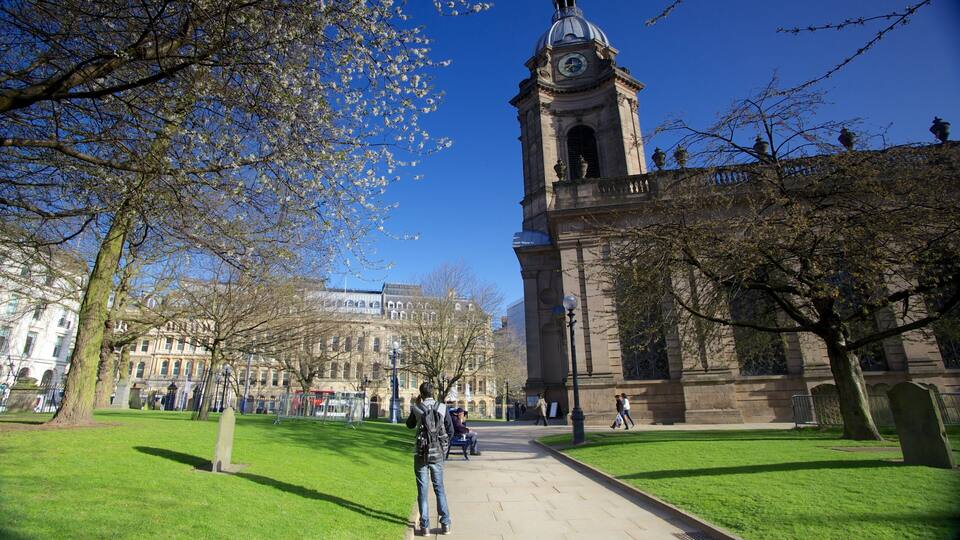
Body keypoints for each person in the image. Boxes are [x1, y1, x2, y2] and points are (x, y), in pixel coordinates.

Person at [406, 382, 455, 536]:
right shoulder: (442, 407)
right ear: (433, 392)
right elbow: (451, 430)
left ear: (421, 393)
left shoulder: (417, 408)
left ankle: (425, 527)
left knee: (422, 490)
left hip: (421, 452)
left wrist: (416, 406)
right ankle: (445, 524)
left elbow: (409, 425)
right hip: (437, 453)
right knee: (439, 488)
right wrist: (442, 446)